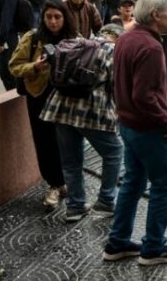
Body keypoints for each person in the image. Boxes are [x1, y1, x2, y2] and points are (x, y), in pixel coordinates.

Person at [103, 0, 167, 265]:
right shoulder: (150, 47)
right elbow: (144, 95)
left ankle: (118, 242)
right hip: (149, 129)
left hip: (128, 125)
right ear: (155, 15)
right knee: (163, 186)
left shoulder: (126, 37)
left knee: (133, 183)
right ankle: (153, 247)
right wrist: (166, 122)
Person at [40, 23, 123, 223]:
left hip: (61, 109)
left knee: (71, 161)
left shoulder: (76, 44)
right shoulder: (111, 51)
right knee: (114, 152)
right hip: (92, 111)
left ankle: (75, 206)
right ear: (118, 37)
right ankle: (106, 199)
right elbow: (116, 85)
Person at [8, 0, 71, 210]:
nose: (53, 22)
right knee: (45, 142)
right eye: (49, 17)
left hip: (68, 98)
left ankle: (67, 182)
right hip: (39, 97)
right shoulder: (32, 38)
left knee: (69, 142)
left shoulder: (75, 39)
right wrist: (35, 66)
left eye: (58, 17)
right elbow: (14, 66)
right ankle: (53, 184)